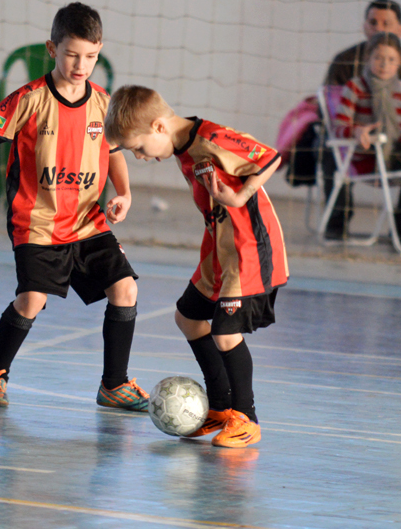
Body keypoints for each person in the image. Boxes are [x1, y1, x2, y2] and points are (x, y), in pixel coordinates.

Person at [0, 2, 148, 411]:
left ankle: (113, 384)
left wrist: (125, 192)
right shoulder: (29, 99)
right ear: (52, 48)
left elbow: (112, 150)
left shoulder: (103, 103)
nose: (81, 65)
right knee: (31, 300)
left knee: (126, 288)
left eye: (91, 57)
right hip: (37, 221)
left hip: (87, 221)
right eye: (72, 54)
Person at [104, 85, 288, 448]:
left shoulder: (211, 138)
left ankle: (247, 418)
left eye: (138, 148)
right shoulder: (183, 144)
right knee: (187, 317)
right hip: (219, 248)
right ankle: (219, 407)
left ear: (159, 127)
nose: (139, 156)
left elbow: (270, 157)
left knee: (225, 332)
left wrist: (239, 195)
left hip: (249, 247)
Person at [323, 0, 401, 237]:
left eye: (386, 23)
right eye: (373, 22)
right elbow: (335, 119)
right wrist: (356, 131)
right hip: (358, 151)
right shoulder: (350, 75)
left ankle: (398, 229)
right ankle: (338, 223)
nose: (378, 28)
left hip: (393, 151)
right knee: (327, 149)